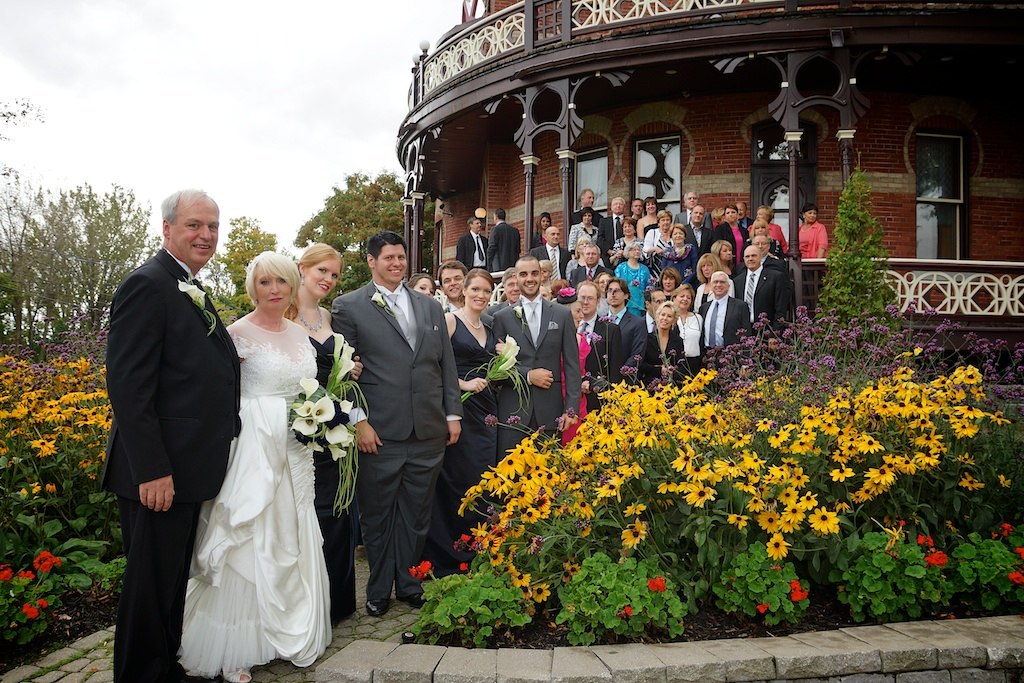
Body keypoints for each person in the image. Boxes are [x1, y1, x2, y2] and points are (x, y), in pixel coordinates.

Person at [103, 189, 240, 683]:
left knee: (170, 581)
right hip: (159, 471)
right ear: (166, 230)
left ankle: (166, 667)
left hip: (188, 467)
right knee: (149, 586)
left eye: (213, 226)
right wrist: (153, 469)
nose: (206, 235)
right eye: (194, 225)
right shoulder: (148, 284)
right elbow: (128, 386)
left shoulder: (188, 285)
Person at [180, 251, 330, 683]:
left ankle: (283, 631)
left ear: (291, 286)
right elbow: (220, 394)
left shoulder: (302, 335)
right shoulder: (234, 335)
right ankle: (236, 648)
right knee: (250, 533)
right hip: (253, 448)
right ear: (253, 287)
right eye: (265, 282)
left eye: (282, 282)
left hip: (297, 448)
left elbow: (310, 389)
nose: (275, 290)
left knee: (293, 529)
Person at [332, 231, 462, 617]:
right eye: (388, 258)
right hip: (379, 433)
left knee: (417, 514)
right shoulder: (348, 306)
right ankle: (377, 589)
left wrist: (452, 414)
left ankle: (408, 582)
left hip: (428, 430)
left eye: (401, 257)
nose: (396, 263)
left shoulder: (429, 306)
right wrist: (359, 423)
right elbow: (344, 375)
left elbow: (446, 365)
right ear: (371, 261)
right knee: (377, 516)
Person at [287, 244, 358, 627]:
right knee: (305, 511)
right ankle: (303, 605)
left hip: (334, 428)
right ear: (302, 268)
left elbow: (336, 367)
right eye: (322, 272)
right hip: (298, 430)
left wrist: (351, 370)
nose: (328, 280)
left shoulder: (330, 316)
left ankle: (336, 601)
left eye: (334, 275)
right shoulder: (282, 314)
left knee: (337, 507)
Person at [424, 269, 498, 577]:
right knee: (458, 480)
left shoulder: (490, 325)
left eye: (487, 291)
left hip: (487, 411)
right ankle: (451, 554)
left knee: (482, 479)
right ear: (464, 290)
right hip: (461, 410)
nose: (481, 295)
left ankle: (478, 548)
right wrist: (462, 386)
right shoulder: (451, 321)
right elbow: (432, 365)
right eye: (476, 289)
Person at [492, 255, 580, 457]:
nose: (529, 278)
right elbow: (495, 370)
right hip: (513, 411)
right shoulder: (501, 318)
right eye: (523, 274)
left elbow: (572, 365)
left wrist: (571, 409)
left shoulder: (561, 314)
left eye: (534, 273)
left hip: (550, 411)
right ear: (516, 277)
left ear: (542, 275)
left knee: (547, 479)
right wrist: (528, 375)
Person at [575, 280, 624, 413]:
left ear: (597, 301)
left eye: (590, 298)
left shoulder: (611, 330)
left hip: (597, 402)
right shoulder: (567, 327)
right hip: (570, 400)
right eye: (582, 298)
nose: (585, 302)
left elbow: (615, 370)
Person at [734, 245, 789, 329]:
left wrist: (774, 333)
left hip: (766, 330)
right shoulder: (737, 281)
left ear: (760, 257)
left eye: (754, 255)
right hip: (744, 331)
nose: (750, 259)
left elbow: (780, 308)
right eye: (747, 256)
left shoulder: (775, 277)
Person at [558, 287, 586, 445]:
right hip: (557, 397)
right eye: (577, 311)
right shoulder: (553, 339)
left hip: (577, 398)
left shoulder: (582, 338)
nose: (582, 316)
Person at [699, 271, 750, 351]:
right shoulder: (704, 308)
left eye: (722, 282)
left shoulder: (740, 306)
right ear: (711, 285)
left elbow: (747, 333)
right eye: (715, 282)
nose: (718, 285)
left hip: (730, 356)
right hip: (707, 355)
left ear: (728, 285)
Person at [605, 276, 647, 373]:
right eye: (610, 290)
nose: (613, 294)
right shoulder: (600, 321)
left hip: (625, 379)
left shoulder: (638, 323)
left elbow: (637, 354)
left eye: (617, 290)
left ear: (626, 295)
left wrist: (620, 373)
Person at [641, 302, 687, 386]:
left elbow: (682, 364)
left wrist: (673, 371)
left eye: (669, 316)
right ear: (658, 317)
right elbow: (641, 364)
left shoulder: (678, 341)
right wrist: (659, 370)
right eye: (663, 315)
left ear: (674, 320)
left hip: (672, 387)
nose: (665, 318)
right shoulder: (647, 339)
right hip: (650, 386)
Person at [614, 241, 652, 318]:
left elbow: (649, 286)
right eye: (634, 249)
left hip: (639, 305)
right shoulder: (621, 268)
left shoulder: (645, 269)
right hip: (624, 303)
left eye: (638, 250)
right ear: (628, 251)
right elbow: (616, 285)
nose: (637, 251)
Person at [672, 284, 703, 376]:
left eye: (688, 298)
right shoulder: (669, 317)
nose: (685, 299)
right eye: (682, 296)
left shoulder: (698, 318)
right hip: (675, 364)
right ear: (674, 298)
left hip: (695, 363)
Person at [486, 208, 521, 272]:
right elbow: (518, 250)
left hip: (498, 266)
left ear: (496, 217)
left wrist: (488, 263)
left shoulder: (495, 229)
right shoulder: (515, 231)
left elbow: (492, 247)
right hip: (512, 265)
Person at [598, 196, 628, 263]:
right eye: (615, 204)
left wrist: (624, 252)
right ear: (611, 207)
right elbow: (600, 239)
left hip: (625, 257)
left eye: (620, 204)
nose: (618, 206)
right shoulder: (603, 221)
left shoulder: (629, 221)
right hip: (608, 257)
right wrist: (610, 251)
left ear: (624, 207)